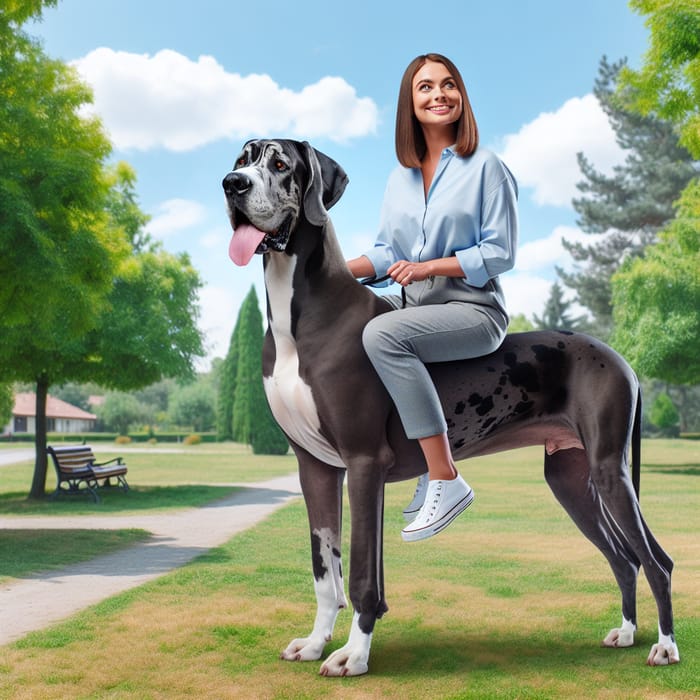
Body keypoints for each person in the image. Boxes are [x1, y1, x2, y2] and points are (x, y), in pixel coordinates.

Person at [346, 53, 518, 542]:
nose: (438, 94)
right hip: (415, 306)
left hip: (471, 308)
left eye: (448, 85)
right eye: (425, 87)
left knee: (382, 335)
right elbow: (385, 255)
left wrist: (428, 267)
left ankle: (444, 475)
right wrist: (331, 272)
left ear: (461, 96)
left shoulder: (487, 167)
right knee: (356, 328)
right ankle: (416, 462)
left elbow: (500, 252)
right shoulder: (398, 178)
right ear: (411, 102)